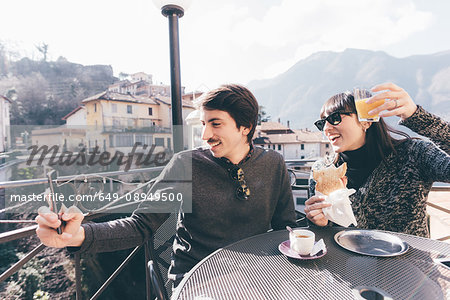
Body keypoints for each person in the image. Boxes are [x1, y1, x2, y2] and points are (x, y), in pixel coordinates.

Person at [36, 84, 297, 287]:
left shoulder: (274, 163)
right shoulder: (186, 164)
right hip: (198, 278)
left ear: (245, 127)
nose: (205, 135)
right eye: (204, 124)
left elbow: (286, 228)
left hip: (256, 276)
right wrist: (79, 235)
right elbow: (141, 226)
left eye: (216, 124)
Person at [305, 82, 450, 237]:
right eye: (322, 123)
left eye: (334, 118)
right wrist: (318, 223)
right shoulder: (321, 172)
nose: (326, 128)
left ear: (366, 121)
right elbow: (322, 238)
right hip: (346, 261)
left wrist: (418, 118)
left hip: (410, 260)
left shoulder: (413, 154)